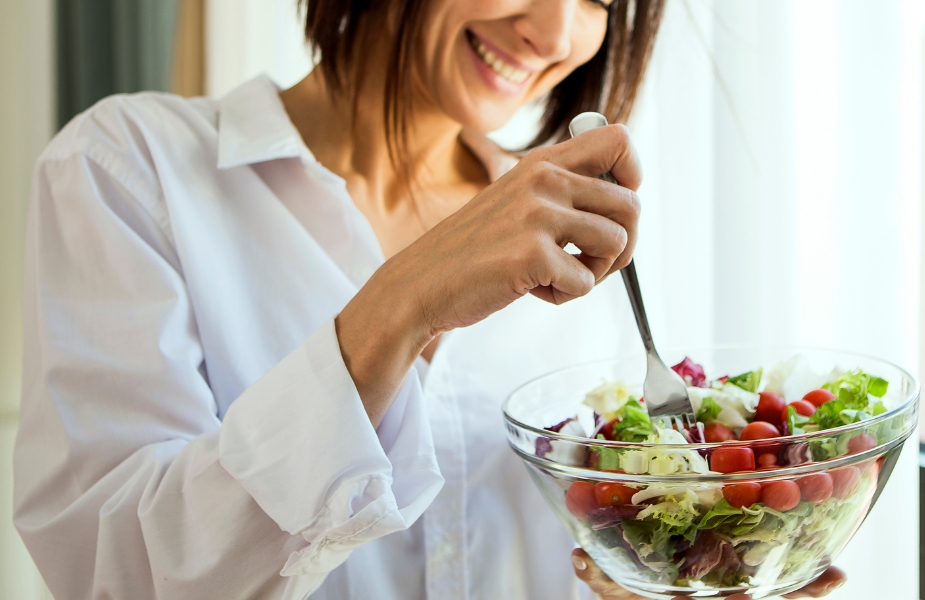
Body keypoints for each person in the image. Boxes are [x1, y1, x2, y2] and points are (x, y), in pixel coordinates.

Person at [13, 0, 844, 598]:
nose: (557, 32)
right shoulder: (128, 170)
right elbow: (111, 576)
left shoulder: (579, 245)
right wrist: (404, 300)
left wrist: (672, 579)